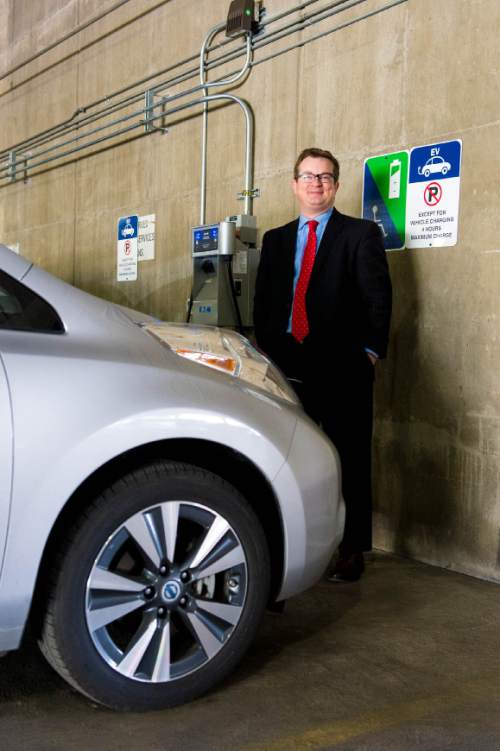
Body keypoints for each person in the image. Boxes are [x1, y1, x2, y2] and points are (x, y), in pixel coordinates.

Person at [253, 147, 392, 582]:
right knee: (286, 456)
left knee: (348, 456)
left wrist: (369, 350)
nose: (316, 183)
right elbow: (265, 301)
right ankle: (285, 546)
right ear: (295, 184)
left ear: (336, 185)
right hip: (288, 364)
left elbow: (378, 296)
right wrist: (267, 350)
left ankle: (351, 549)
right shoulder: (275, 239)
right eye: (308, 176)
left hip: (343, 365)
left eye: (325, 176)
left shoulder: (360, 233)